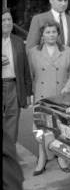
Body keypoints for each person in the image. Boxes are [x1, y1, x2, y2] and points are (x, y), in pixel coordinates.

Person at [28, 20, 70, 175]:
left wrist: (67, 88)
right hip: (41, 97)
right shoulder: (33, 52)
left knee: (60, 128)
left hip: (60, 97)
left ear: (58, 34)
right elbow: (30, 75)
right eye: (48, 32)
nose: (51, 35)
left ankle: (61, 157)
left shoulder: (68, 51)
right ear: (42, 35)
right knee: (40, 129)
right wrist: (31, 95)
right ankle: (42, 157)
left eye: (54, 32)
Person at [3, 9, 32, 145]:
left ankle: (9, 157)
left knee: (12, 123)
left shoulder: (18, 41)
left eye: (9, 19)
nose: (8, 22)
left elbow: (25, 68)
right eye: (3, 20)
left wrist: (28, 92)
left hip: (14, 86)